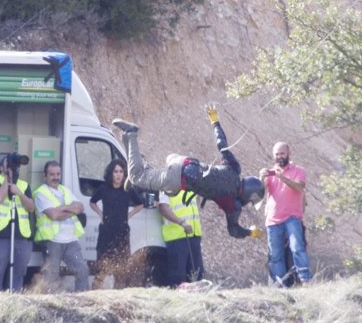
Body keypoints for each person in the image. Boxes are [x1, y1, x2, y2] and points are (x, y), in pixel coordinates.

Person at [112, 104, 264, 239]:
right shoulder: (233, 205)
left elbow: (222, 145)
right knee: (137, 176)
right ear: (249, 195)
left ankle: (128, 142)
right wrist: (250, 233)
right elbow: (233, 230)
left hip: (184, 161)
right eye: (251, 200)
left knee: (160, 184)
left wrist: (215, 122)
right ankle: (131, 133)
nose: (248, 203)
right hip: (179, 178)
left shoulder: (235, 169)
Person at [259, 141, 311, 286]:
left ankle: (305, 279)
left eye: (282, 153)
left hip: (292, 217)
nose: (280, 156)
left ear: (289, 154)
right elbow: (259, 194)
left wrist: (283, 178)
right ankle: (280, 285)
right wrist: (261, 179)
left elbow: (299, 187)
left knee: (297, 248)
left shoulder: (298, 171)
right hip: (273, 219)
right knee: (275, 255)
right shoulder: (270, 174)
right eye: (277, 154)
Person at [34, 160, 90, 292]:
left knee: (82, 270)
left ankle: (82, 300)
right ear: (45, 176)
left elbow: (80, 207)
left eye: (58, 174)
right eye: (52, 174)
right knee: (51, 277)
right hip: (53, 241)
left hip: (71, 241)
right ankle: (49, 302)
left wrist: (62, 208)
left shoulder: (65, 190)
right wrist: (71, 210)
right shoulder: (41, 193)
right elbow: (54, 215)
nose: (56, 177)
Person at [89, 158, 143, 289]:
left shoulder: (128, 189)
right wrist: (100, 214)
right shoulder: (103, 189)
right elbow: (92, 202)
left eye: (121, 171)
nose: (118, 175)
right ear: (111, 173)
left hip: (122, 232)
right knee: (101, 268)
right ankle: (95, 294)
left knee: (121, 270)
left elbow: (140, 204)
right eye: (115, 171)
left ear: (124, 174)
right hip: (106, 232)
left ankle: (118, 295)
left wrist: (128, 215)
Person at [0, 153, 35, 291]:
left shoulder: (23, 185)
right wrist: (8, 178)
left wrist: (19, 193)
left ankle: (15, 300)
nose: (13, 168)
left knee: (18, 275)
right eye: (9, 165)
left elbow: (31, 207)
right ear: (1, 168)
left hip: (21, 237)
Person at [158, 189, 203, 287]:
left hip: (194, 235)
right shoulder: (167, 186)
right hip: (176, 237)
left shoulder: (190, 187)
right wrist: (181, 222)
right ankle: (176, 295)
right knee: (178, 276)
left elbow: (197, 199)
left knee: (197, 273)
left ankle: (196, 295)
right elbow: (163, 208)